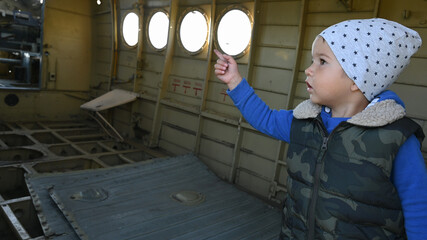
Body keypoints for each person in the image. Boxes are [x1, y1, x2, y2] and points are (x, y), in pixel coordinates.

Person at [214, 18, 427, 239]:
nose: (309, 70)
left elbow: (418, 210)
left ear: (358, 79)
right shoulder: (305, 120)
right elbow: (265, 118)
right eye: (312, 60)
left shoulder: (396, 138)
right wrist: (234, 81)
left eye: (322, 62)